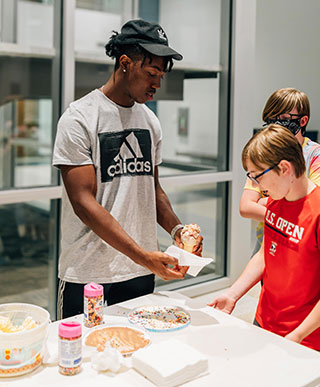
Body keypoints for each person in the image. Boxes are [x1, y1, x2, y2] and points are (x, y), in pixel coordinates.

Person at [53, 19, 202, 319]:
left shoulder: (150, 122)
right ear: (125, 63)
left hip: (138, 271)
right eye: (151, 73)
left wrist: (177, 230)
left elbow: (153, 190)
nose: (157, 84)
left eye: (161, 74)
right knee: (82, 355)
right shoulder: (79, 118)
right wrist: (143, 256)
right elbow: (83, 203)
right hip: (87, 274)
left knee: (137, 350)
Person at [209, 124, 320, 351]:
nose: (257, 186)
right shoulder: (275, 200)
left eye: (257, 176)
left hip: (304, 338)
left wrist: (297, 335)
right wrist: (232, 294)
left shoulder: (316, 211)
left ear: (284, 168)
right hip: (264, 322)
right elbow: (264, 255)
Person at [240, 88, 320, 255]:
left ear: (303, 120)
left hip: (301, 246)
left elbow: (312, 207)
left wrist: (264, 203)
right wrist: (283, 210)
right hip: (266, 242)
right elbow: (246, 206)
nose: (277, 124)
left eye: (283, 118)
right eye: (272, 119)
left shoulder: (314, 155)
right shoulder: (263, 154)